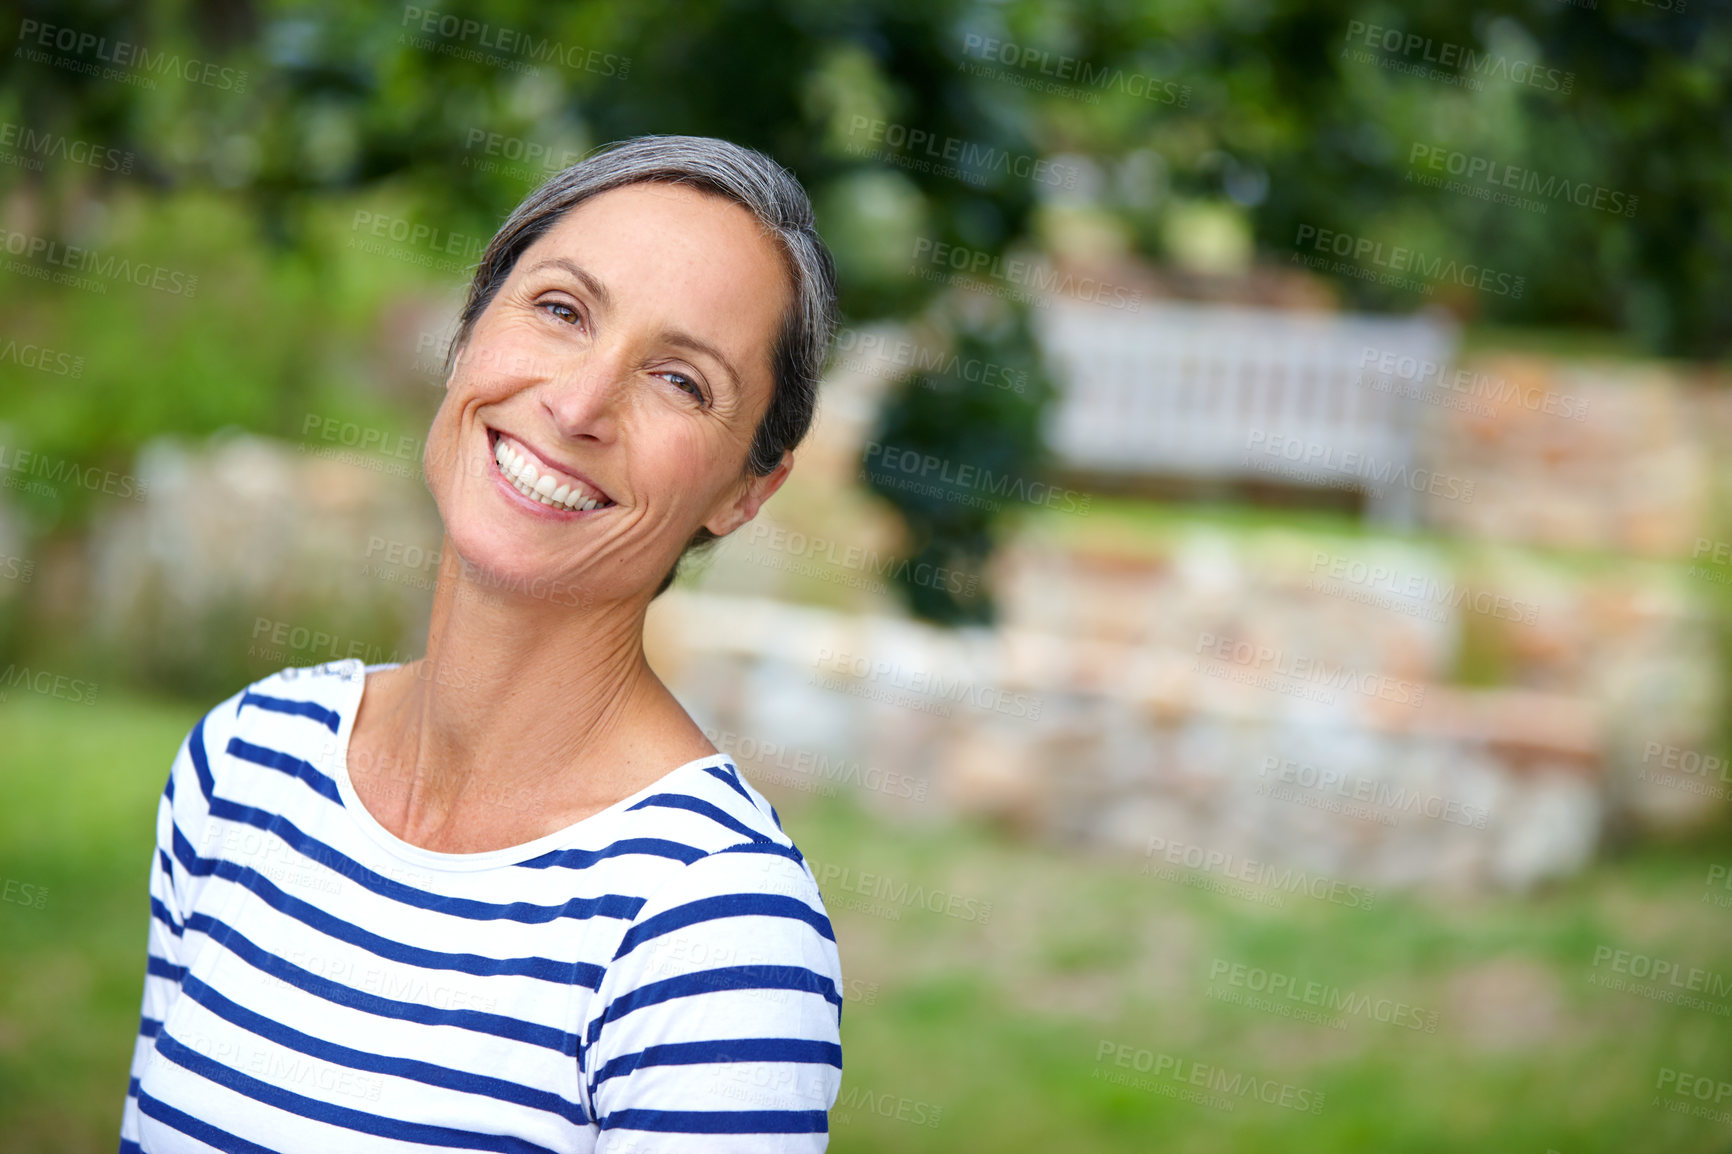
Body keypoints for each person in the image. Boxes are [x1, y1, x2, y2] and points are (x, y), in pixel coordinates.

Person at [119, 135, 845, 1152]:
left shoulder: (713, 926)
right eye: (560, 310)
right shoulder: (246, 760)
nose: (579, 403)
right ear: (469, 331)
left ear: (744, 491)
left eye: (680, 380)